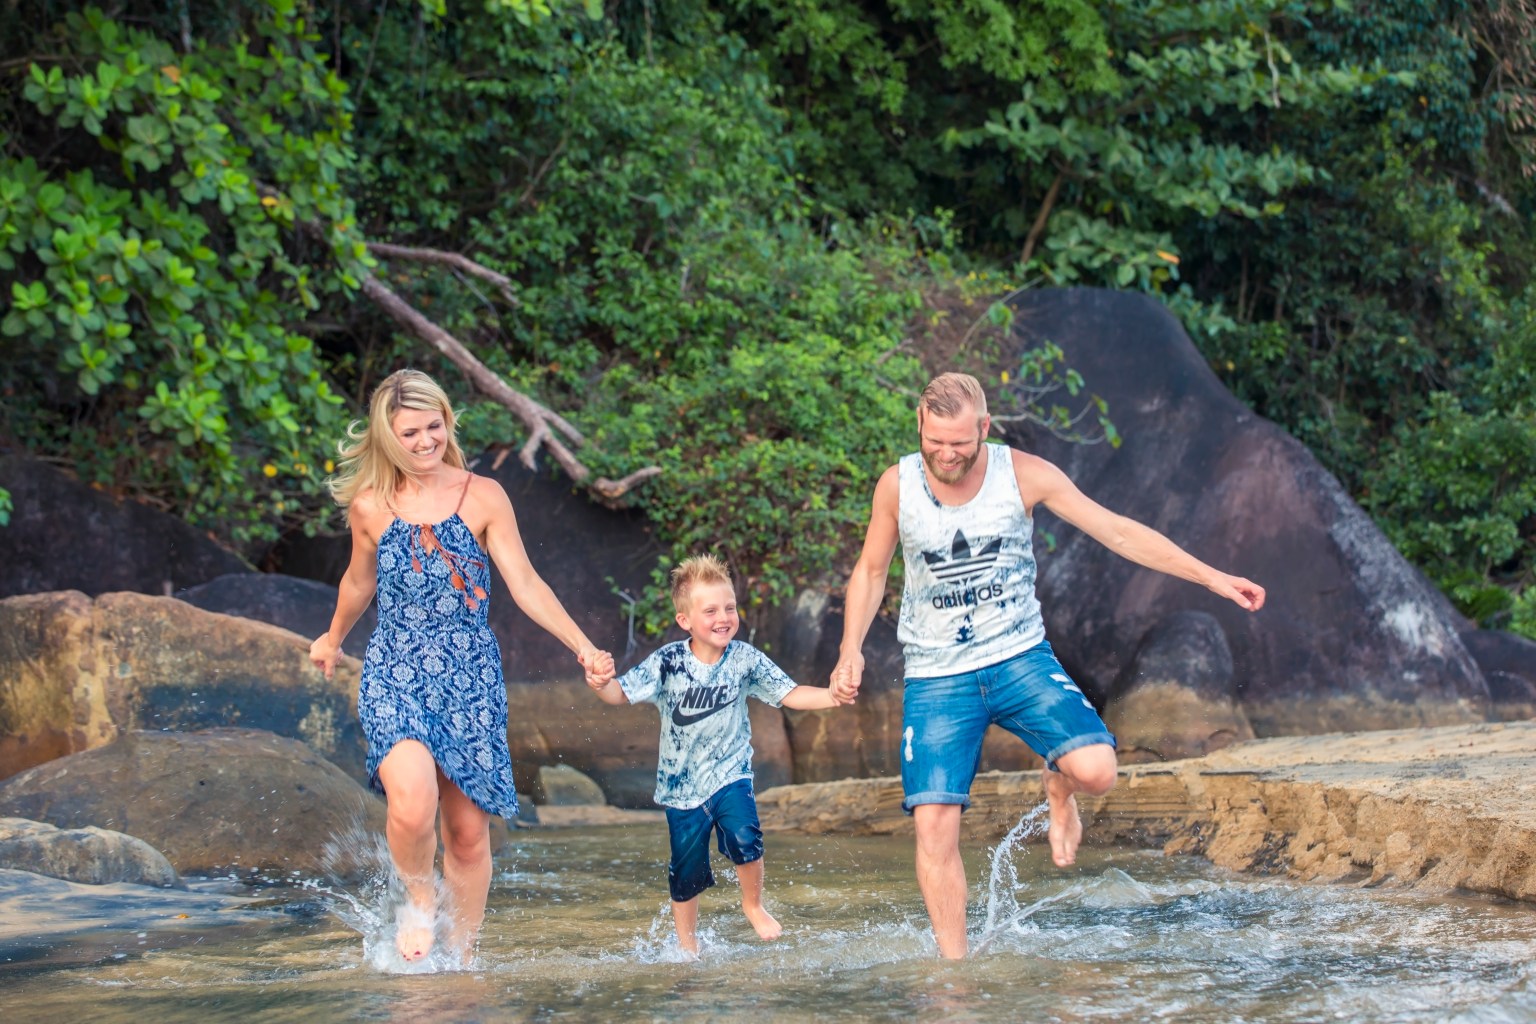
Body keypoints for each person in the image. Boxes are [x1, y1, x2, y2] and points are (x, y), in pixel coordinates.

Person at [830, 371, 1265, 959]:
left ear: (985, 427)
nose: (947, 454)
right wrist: (850, 646)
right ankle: (955, 978)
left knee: (1097, 772)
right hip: (936, 675)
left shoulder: (1025, 475)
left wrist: (1212, 577)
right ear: (920, 425)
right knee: (934, 826)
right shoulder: (897, 485)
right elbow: (871, 570)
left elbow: (1117, 533)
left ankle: (1058, 793)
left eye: (961, 442)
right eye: (935, 441)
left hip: (1017, 657)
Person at [308, 368, 614, 964]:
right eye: (408, 433)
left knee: (469, 836)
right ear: (386, 437)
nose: (423, 442)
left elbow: (525, 583)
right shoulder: (371, 505)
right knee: (412, 802)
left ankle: (462, 958)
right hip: (395, 666)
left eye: (433, 427)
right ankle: (418, 903)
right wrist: (331, 637)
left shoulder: (483, 495)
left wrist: (582, 645)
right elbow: (357, 581)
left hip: (469, 674)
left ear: (448, 422)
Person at [585, 554, 848, 956]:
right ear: (685, 620)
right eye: (710, 610)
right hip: (680, 789)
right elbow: (619, 693)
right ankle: (687, 949)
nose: (723, 617)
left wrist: (831, 696)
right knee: (686, 873)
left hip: (730, 775)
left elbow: (788, 692)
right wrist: (600, 681)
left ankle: (753, 905)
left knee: (746, 837)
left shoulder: (744, 659)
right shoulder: (669, 663)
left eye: (730, 607)